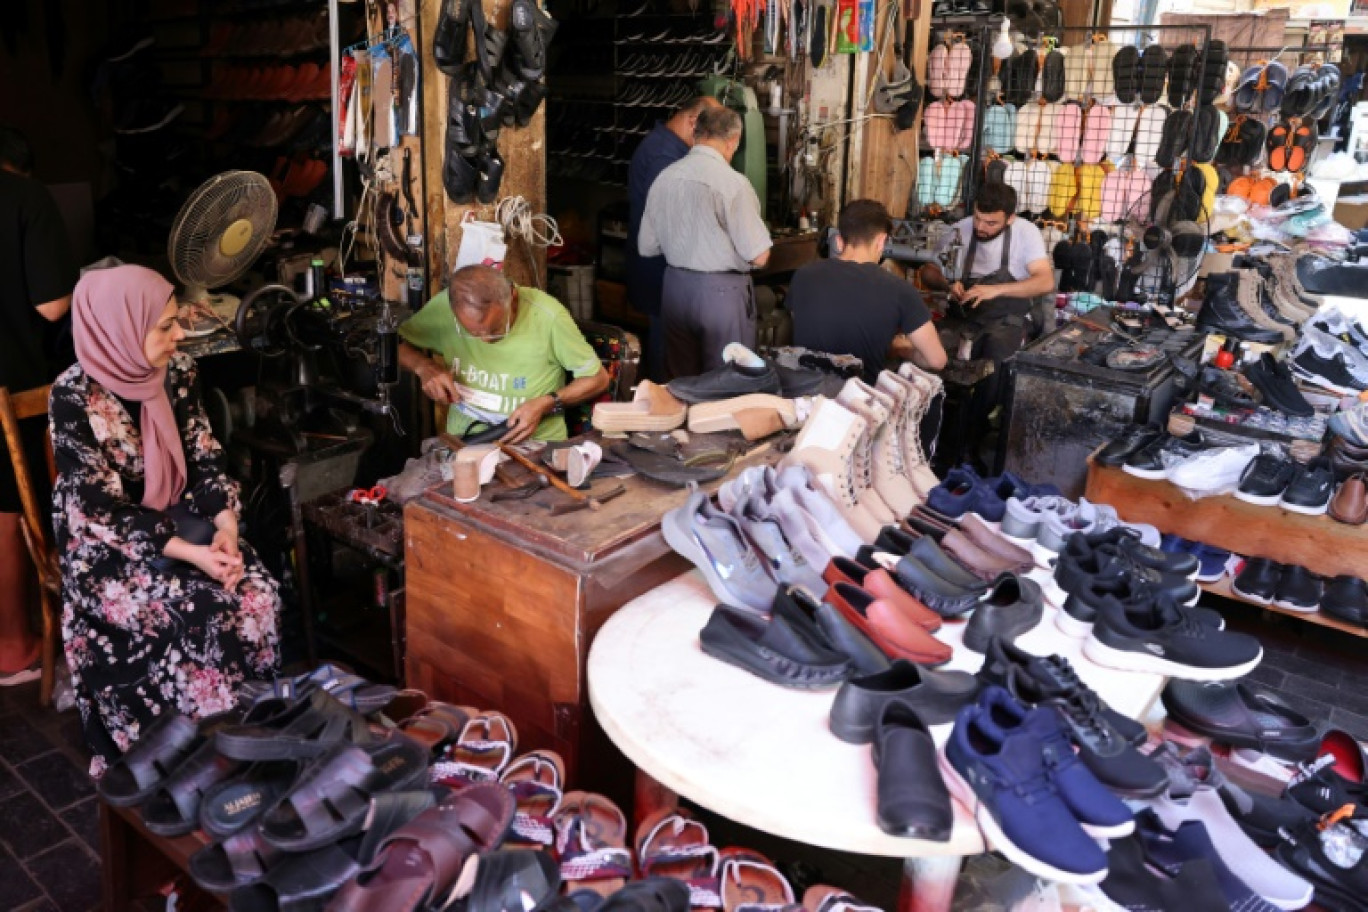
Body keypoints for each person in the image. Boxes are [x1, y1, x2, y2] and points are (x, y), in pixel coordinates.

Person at [51, 265, 281, 776]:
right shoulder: (72, 397)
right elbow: (101, 511)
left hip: (185, 522)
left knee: (257, 593)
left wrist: (226, 529)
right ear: (120, 329)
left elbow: (204, 459)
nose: (179, 336)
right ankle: (190, 757)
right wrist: (195, 553)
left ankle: (254, 732)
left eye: (176, 322)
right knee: (200, 612)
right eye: (164, 327)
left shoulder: (178, 372)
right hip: (106, 546)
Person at [0, 125, 76, 686]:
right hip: (9, 380)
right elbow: (53, 306)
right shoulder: (24, 197)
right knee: (7, 512)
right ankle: (14, 647)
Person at [397, 265, 610, 443]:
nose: (486, 340)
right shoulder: (444, 308)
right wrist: (423, 367)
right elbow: (395, 345)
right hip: (466, 438)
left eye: (497, 328)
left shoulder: (548, 316)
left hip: (534, 443)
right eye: (472, 333)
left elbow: (598, 379)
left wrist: (547, 402)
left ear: (512, 295)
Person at [638, 106, 772, 381]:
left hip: (675, 289)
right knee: (728, 380)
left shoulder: (665, 178)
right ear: (733, 141)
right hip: (720, 295)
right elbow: (760, 256)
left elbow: (647, 246)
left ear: (696, 134)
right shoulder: (733, 183)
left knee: (681, 383)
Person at [923, 182, 1055, 457]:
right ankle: (933, 435)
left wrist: (995, 289)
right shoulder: (962, 228)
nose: (981, 228)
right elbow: (928, 271)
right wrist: (948, 284)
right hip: (966, 315)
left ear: (1010, 218)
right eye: (979, 219)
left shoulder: (1026, 233)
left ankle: (970, 444)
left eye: (991, 223)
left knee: (992, 364)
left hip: (1007, 315)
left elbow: (1044, 281)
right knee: (931, 353)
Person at [788, 199, 947, 383]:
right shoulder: (900, 290)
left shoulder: (802, 276)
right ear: (881, 241)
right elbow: (937, 361)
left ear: (839, 241)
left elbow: (810, 326)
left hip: (802, 396)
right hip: (858, 404)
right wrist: (899, 346)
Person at [626, 95, 722, 381]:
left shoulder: (670, 148)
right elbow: (672, 221)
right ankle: (663, 416)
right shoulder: (664, 157)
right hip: (660, 274)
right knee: (668, 359)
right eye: (709, 133)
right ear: (693, 122)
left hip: (665, 272)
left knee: (673, 351)